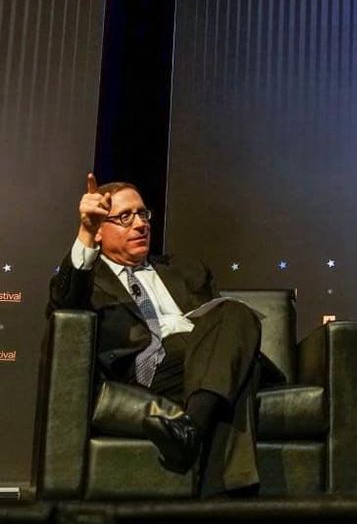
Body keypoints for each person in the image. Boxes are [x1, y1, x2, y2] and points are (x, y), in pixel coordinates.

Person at [48, 174, 265, 497]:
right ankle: (228, 498)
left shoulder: (187, 269)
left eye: (142, 214)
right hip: (150, 370)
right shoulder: (91, 279)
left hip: (201, 359)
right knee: (242, 373)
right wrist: (85, 234)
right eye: (125, 217)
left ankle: (190, 429)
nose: (140, 224)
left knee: (235, 312)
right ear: (100, 229)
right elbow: (64, 303)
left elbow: (221, 333)